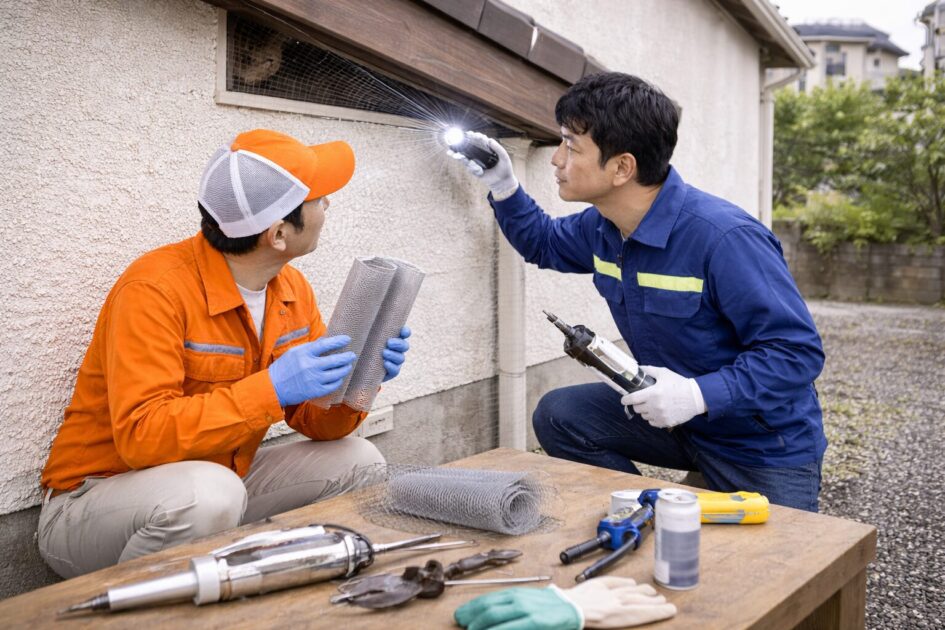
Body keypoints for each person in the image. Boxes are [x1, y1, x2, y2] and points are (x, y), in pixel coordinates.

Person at [38, 129, 411, 577]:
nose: (326, 206)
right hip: (95, 501)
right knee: (211, 494)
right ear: (277, 234)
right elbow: (142, 438)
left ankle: (265, 587)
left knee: (358, 460)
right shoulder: (154, 290)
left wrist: (360, 381)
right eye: (318, 199)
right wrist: (271, 388)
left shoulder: (290, 289)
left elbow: (320, 426)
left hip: (220, 482)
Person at [449, 72, 826, 511]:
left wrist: (697, 396)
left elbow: (796, 353)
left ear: (622, 167)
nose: (557, 160)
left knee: (777, 572)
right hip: (681, 426)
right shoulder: (604, 227)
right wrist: (503, 184)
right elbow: (544, 243)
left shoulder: (724, 239)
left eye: (571, 146)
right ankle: (647, 515)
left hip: (761, 445)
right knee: (560, 414)